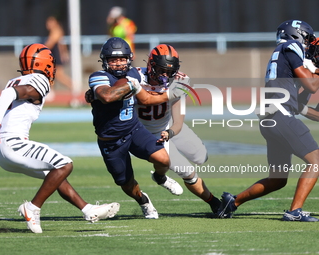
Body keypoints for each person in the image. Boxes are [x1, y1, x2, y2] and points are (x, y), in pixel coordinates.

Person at [0, 43, 120, 234]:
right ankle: (33, 207)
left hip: (1, 152)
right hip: (15, 144)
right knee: (65, 165)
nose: (53, 69)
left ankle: (88, 210)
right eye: (51, 64)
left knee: (53, 175)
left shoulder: (15, 80)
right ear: (45, 64)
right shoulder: (39, 79)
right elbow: (8, 95)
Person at [216, 20, 319, 221]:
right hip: (281, 117)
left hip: (273, 118)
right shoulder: (290, 46)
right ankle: (294, 212)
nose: (308, 45)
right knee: (316, 161)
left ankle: (233, 202)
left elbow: (299, 105)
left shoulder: (282, 54)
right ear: (296, 35)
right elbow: (311, 85)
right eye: (306, 39)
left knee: (278, 179)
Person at [86, 37, 184, 219]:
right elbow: (107, 96)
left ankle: (160, 177)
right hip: (111, 140)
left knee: (164, 160)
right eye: (113, 60)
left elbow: (147, 97)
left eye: (122, 59)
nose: (118, 64)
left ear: (129, 59)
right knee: (125, 182)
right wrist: (128, 84)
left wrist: (174, 86)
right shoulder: (99, 77)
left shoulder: (134, 74)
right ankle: (143, 201)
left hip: (133, 130)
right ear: (105, 61)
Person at [133, 44, 221, 215]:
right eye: (161, 70)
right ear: (150, 66)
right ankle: (215, 203)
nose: (165, 75)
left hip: (169, 126)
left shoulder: (180, 81)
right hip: (146, 134)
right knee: (187, 171)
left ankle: (158, 175)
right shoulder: (135, 77)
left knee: (201, 156)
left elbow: (178, 120)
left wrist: (171, 132)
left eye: (169, 71)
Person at [44, 16, 73, 100]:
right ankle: (50, 91)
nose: (48, 24)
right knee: (51, 74)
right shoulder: (54, 31)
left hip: (56, 56)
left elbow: (50, 44)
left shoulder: (56, 31)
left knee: (58, 75)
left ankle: (72, 86)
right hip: (54, 55)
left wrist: (39, 49)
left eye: (50, 22)